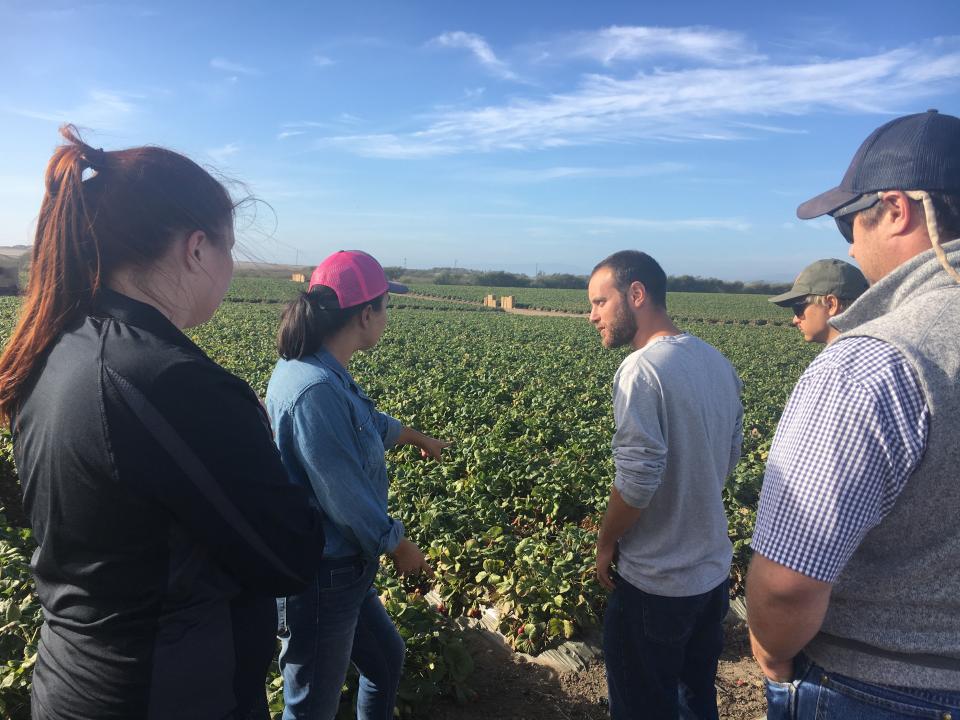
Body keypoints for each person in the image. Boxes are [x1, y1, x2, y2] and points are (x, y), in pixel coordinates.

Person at [0, 126, 325, 719]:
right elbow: (290, 557)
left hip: (75, 679)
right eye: (228, 248)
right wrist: (255, 432)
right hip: (165, 692)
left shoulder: (55, 344)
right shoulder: (168, 380)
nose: (229, 266)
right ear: (196, 248)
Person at [747, 109, 960, 718]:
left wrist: (770, 653)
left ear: (897, 209)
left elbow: (788, 584)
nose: (850, 244)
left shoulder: (872, 362)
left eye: (848, 222)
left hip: (878, 689)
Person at [267, 250, 450, 720]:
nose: (388, 318)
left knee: (385, 661)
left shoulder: (320, 371)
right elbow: (343, 493)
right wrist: (397, 544)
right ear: (365, 314)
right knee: (310, 707)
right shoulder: (314, 390)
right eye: (385, 307)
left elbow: (362, 420)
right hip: (323, 575)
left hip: (344, 570)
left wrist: (412, 436)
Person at [588, 250, 743, 720]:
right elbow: (730, 459)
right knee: (696, 700)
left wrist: (605, 540)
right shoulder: (716, 361)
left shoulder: (642, 370)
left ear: (636, 295)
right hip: (710, 577)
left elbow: (636, 482)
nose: (591, 316)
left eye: (599, 302)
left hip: (656, 584)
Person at [767, 259, 867, 344]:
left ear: (831, 305)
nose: (795, 320)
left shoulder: (836, 364)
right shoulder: (873, 350)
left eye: (798, 309)